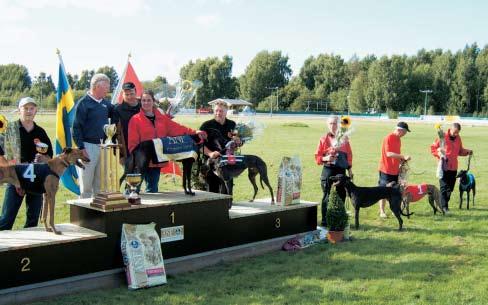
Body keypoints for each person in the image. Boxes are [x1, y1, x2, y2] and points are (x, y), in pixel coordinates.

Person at [127, 90, 205, 193]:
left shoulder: (162, 119)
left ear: (153, 101)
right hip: (140, 162)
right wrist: (135, 159)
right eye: (143, 100)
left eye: (149, 100)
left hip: (156, 162)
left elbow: (178, 128)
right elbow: (132, 143)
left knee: (153, 191)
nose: (146, 103)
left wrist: (194, 132)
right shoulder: (135, 119)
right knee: (133, 191)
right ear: (140, 101)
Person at [0, 97, 53, 230]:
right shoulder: (9, 129)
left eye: (32, 108)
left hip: (35, 181)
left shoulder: (40, 132)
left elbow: (49, 157)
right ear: (19, 110)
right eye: (25, 108)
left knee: (33, 220)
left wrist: (44, 159)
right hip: (14, 179)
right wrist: (15, 178)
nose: (29, 111)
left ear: (36, 111)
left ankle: (29, 249)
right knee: (6, 220)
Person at [72, 74, 115, 199]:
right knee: (86, 186)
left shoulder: (106, 104)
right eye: (106, 88)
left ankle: (99, 216)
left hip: (104, 146)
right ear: (97, 87)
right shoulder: (83, 103)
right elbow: (76, 128)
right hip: (87, 147)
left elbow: (118, 114)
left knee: (101, 185)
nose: (108, 90)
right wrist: (81, 148)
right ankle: (84, 216)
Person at [314, 116, 353, 228]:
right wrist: (326, 158)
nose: (333, 126)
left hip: (341, 171)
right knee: (327, 195)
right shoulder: (323, 139)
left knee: (342, 194)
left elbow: (349, 155)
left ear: (339, 124)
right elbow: (317, 157)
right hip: (328, 170)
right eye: (330, 123)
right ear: (327, 125)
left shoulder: (344, 139)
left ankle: (340, 220)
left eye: (335, 123)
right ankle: (325, 222)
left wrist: (349, 169)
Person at [199, 100, 241, 193]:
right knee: (213, 194)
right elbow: (199, 144)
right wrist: (210, 153)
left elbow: (236, 144)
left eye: (221, 111)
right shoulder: (206, 125)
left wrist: (238, 142)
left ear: (227, 112)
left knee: (227, 194)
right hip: (212, 163)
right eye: (216, 111)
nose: (218, 113)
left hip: (228, 162)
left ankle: (227, 206)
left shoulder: (232, 124)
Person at [430, 122, 472, 213]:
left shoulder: (458, 138)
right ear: (451, 129)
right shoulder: (442, 137)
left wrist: (467, 152)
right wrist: (439, 154)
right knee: (444, 187)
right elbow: (433, 148)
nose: (456, 134)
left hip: (454, 168)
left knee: (450, 188)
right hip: (443, 166)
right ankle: (444, 207)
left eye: (458, 132)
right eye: (455, 132)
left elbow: (460, 151)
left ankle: (442, 204)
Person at [378, 121, 411, 218]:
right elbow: (389, 154)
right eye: (404, 132)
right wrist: (403, 156)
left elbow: (396, 154)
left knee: (393, 191)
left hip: (394, 169)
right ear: (399, 130)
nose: (405, 134)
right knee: (383, 191)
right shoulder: (389, 137)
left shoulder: (398, 139)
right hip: (386, 169)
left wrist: (401, 161)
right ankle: (382, 211)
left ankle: (393, 209)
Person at [114, 82, 141, 161]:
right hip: (127, 154)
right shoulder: (117, 110)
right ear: (122, 94)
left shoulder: (144, 106)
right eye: (126, 94)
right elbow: (114, 134)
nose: (129, 97)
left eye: (131, 94)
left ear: (136, 92)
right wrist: (119, 155)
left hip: (145, 151)